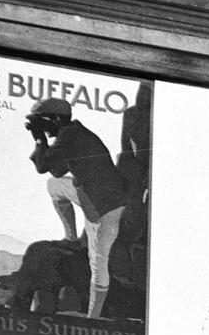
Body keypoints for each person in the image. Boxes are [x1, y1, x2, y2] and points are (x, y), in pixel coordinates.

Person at [25, 98, 130, 320]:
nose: (42, 127)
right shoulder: (72, 133)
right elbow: (56, 171)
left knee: (98, 264)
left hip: (105, 208)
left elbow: (43, 166)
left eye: (42, 122)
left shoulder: (70, 136)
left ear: (55, 119)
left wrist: (38, 138)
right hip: (91, 192)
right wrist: (43, 139)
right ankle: (71, 237)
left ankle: (93, 318)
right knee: (55, 186)